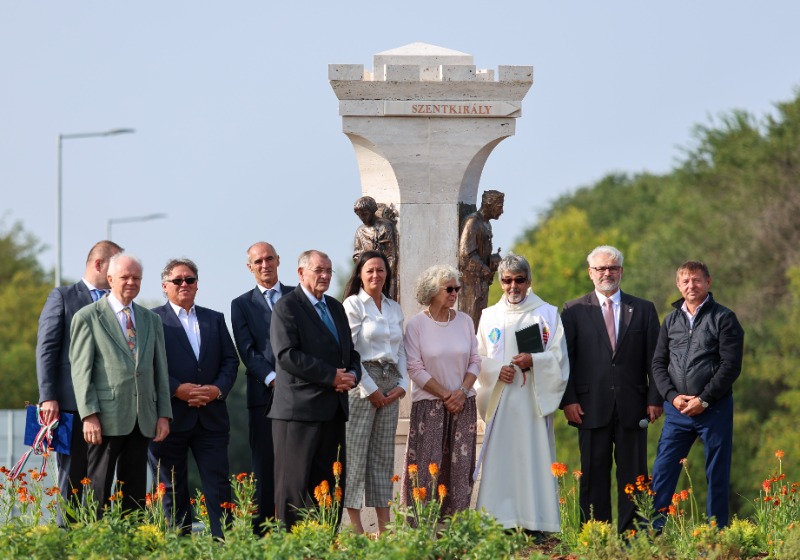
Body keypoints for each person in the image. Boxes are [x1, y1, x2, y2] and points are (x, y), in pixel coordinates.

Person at [560, 245, 662, 533]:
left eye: (613, 268)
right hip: (588, 407)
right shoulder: (573, 310)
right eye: (601, 268)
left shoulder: (643, 309)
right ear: (591, 273)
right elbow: (564, 360)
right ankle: (596, 537)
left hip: (635, 406)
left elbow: (656, 359)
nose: (607, 273)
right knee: (593, 476)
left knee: (635, 476)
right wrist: (568, 400)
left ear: (621, 271)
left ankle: (633, 539)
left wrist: (656, 398)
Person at [70, 253, 172, 515]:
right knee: (99, 489)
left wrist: (163, 414)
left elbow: (160, 370)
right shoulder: (88, 317)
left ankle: (131, 545)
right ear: (110, 278)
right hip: (104, 418)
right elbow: (82, 372)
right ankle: (97, 544)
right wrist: (89, 415)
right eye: (125, 277)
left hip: (142, 418)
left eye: (136, 277)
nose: (131, 282)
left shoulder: (152, 320)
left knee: (136, 492)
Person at [475, 254, 569, 533]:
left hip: (532, 400)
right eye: (506, 281)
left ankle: (535, 522)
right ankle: (497, 522)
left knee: (532, 455)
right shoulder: (489, 316)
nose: (512, 286)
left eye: (519, 280)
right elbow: (478, 357)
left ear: (529, 281)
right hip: (501, 399)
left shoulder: (547, 314)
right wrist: (496, 371)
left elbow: (559, 357)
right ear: (500, 282)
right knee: (501, 458)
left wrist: (535, 361)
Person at [269, 250, 361, 530]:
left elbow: (350, 352)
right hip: (299, 412)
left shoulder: (335, 307)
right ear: (300, 273)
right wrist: (331, 376)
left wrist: (352, 375)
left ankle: (327, 543)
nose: (325, 276)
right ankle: (291, 547)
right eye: (318, 270)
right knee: (293, 488)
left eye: (329, 271)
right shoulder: (287, 307)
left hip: (333, 410)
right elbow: (287, 355)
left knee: (331, 486)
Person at [149, 258, 239, 538]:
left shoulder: (215, 318)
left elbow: (230, 361)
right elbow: (149, 364)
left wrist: (216, 390)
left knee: (218, 485)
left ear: (197, 285)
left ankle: (224, 543)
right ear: (165, 286)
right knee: (172, 488)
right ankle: (180, 545)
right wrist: (177, 389)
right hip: (170, 418)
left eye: (190, 279)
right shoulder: (152, 320)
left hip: (211, 417)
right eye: (177, 280)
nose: (184, 284)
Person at [650, 261, 744, 529]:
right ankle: (654, 532)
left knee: (716, 472)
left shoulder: (724, 318)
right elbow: (658, 363)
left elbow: (730, 366)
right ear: (678, 285)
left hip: (713, 409)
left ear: (708, 282)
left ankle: (717, 533)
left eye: (696, 280)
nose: (691, 285)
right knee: (663, 469)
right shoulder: (670, 320)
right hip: (677, 411)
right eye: (685, 281)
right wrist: (671, 396)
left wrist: (704, 399)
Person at [36, 240, 123, 524]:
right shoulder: (62, 297)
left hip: (110, 407)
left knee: (102, 479)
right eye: (116, 265)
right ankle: (66, 539)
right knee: (72, 476)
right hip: (70, 407)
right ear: (99, 264)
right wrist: (48, 396)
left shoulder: (118, 302)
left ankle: (95, 539)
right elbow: (47, 349)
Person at [402, 264, 480, 515]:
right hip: (429, 407)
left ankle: (455, 528)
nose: (454, 293)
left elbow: (475, 361)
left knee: (459, 470)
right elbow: (414, 368)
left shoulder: (465, 321)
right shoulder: (416, 325)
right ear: (433, 291)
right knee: (426, 469)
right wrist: (447, 394)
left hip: (463, 405)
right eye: (449, 288)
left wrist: (462, 392)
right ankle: (421, 528)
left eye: (457, 288)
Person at [341, 250, 407, 535]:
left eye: (381, 270)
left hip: (391, 380)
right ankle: (355, 529)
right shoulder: (354, 304)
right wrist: (370, 390)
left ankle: (385, 527)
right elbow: (349, 351)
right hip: (362, 382)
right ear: (360, 274)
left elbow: (402, 350)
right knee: (356, 455)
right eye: (370, 270)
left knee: (382, 457)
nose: (376, 275)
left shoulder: (394, 307)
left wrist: (402, 386)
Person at [230, 241, 293, 533]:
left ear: (278, 260)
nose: (265, 265)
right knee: (265, 466)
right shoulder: (241, 304)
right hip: (263, 395)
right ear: (249, 267)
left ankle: (299, 528)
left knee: (298, 464)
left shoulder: (297, 297)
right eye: (258, 262)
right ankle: (264, 533)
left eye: (269, 259)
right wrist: (273, 379)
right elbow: (247, 350)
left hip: (300, 394)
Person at [458, 190, 504, 330]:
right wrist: (485, 269)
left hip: (482, 284)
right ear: (489, 204)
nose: (502, 211)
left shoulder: (486, 224)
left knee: (479, 326)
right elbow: (466, 255)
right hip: (471, 286)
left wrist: (492, 260)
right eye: (499, 206)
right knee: (470, 325)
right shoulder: (472, 223)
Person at [352, 196, 398, 300]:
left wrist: (386, 274)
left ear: (372, 211)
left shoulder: (385, 227)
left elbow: (391, 254)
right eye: (359, 215)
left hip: (384, 273)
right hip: (368, 273)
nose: (362, 217)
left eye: (365, 214)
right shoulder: (360, 231)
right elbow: (357, 254)